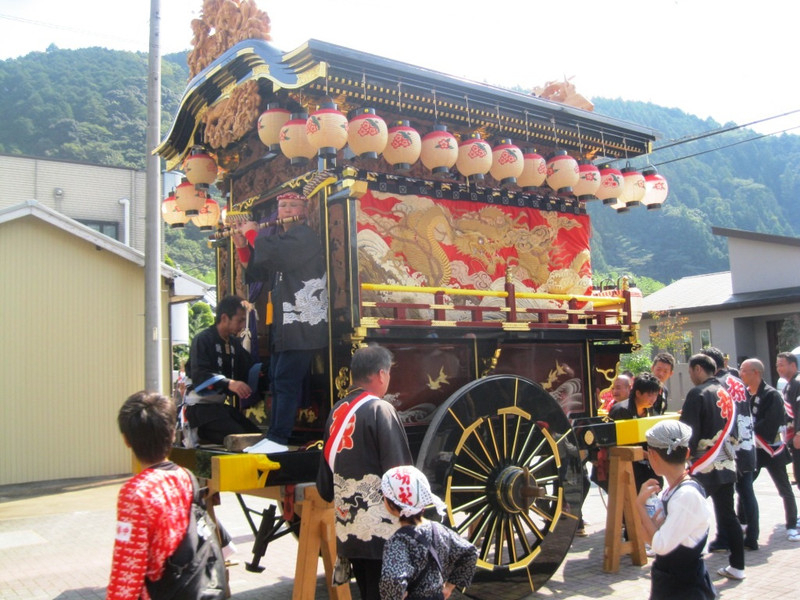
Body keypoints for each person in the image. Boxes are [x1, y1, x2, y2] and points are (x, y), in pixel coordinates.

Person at [316, 345, 413, 600]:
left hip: (350, 534)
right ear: (381, 374)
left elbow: (325, 487)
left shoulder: (336, 412)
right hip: (383, 535)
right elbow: (400, 477)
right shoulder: (381, 409)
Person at [234, 192, 328, 446]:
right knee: (277, 379)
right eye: (282, 206)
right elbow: (257, 272)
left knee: (286, 379)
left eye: (292, 205)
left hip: (303, 321)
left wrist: (254, 235)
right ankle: (274, 434)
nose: (286, 210)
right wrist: (243, 244)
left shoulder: (305, 237)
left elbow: (280, 255)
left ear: (304, 210)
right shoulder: (281, 240)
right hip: (286, 324)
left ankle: (278, 437)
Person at [107, 391, 195, 600]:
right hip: (185, 587)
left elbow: (127, 570)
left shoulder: (136, 492)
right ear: (172, 434)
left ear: (126, 440)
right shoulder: (185, 477)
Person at [680, 353, 744, 581]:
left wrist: (681, 458)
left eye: (690, 371)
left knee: (689, 513)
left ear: (698, 369)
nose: (690, 376)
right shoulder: (725, 392)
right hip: (726, 460)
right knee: (728, 515)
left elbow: (688, 432)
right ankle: (738, 566)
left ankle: (685, 566)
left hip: (702, 464)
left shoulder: (697, 393)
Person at [635, 420, 716, 600]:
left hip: (686, 588)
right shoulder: (671, 491)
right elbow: (651, 538)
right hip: (672, 583)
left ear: (653, 455)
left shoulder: (686, 496)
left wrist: (639, 506)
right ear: (687, 452)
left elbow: (660, 545)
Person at [379, 465, 478, 600]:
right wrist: (448, 588)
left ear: (391, 504)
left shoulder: (399, 541)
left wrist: (395, 596)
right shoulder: (439, 530)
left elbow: (392, 578)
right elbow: (470, 552)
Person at [184, 294, 263, 446]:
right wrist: (229, 383)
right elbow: (200, 375)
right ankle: (200, 433)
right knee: (242, 440)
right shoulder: (202, 340)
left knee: (256, 436)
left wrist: (266, 371)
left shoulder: (234, 343)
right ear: (225, 318)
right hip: (199, 411)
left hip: (219, 409)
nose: (241, 325)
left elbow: (248, 367)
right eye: (239, 320)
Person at [700, 347, 757, 552]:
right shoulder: (738, 381)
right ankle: (752, 536)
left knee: (723, 495)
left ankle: (724, 538)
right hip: (746, 441)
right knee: (746, 490)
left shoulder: (718, 384)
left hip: (727, 445)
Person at [739, 358, 800, 542]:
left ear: (755, 372)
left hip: (772, 448)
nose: (741, 374)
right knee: (744, 486)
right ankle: (741, 522)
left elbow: (772, 422)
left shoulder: (772, 394)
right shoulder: (744, 394)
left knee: (784, 488)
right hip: (754, 449)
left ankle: (791, 525)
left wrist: (749, 430)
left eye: (743, 370)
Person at [776, 351, 800, 496]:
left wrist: (798, 433)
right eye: (777, 365)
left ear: (793, 365)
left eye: (782, 365)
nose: (779, 368)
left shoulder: (797, 382)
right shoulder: (788, 385)